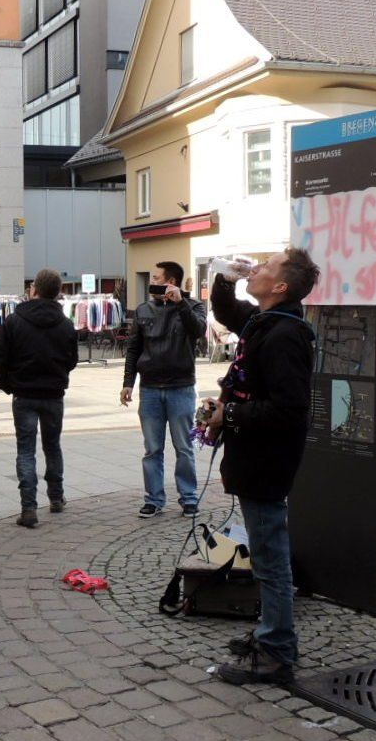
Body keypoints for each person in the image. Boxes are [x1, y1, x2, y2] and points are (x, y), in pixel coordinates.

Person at [204, 250, 319, 686]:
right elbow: (226, 311)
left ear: (280, 287)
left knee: (270, 559)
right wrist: (223, 278)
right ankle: (272, 633)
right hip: (255, 455)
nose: (257, 269)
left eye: (266, 267)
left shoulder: (285, 335)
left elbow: (290, 409)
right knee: (266, 553)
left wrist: (229, 414)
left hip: (267, 459)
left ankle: (277, 650)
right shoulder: (265, 321)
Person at [0, 268, 79, 529]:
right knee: (53, 446)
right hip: (53, 394)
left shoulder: (14, 321)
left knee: (26, 451)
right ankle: (56, 497)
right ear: (57, 293)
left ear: (34, 290)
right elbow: (72, 359)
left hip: (24, 394)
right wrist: (58, 376)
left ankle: (28, 508)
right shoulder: (65, 324)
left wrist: (8, 385)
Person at [121, 261, 209, 518]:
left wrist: (180, 303)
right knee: (152, 448)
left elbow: (198, 331)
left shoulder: (193, 306)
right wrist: (128, 382)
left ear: (171, 281)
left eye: (156, 277)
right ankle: (154, 499)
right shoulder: (144, 309)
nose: (152, 281)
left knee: (184, 447)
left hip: (181, 387)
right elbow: (134, 349)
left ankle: (189, 498)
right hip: (149, 388)